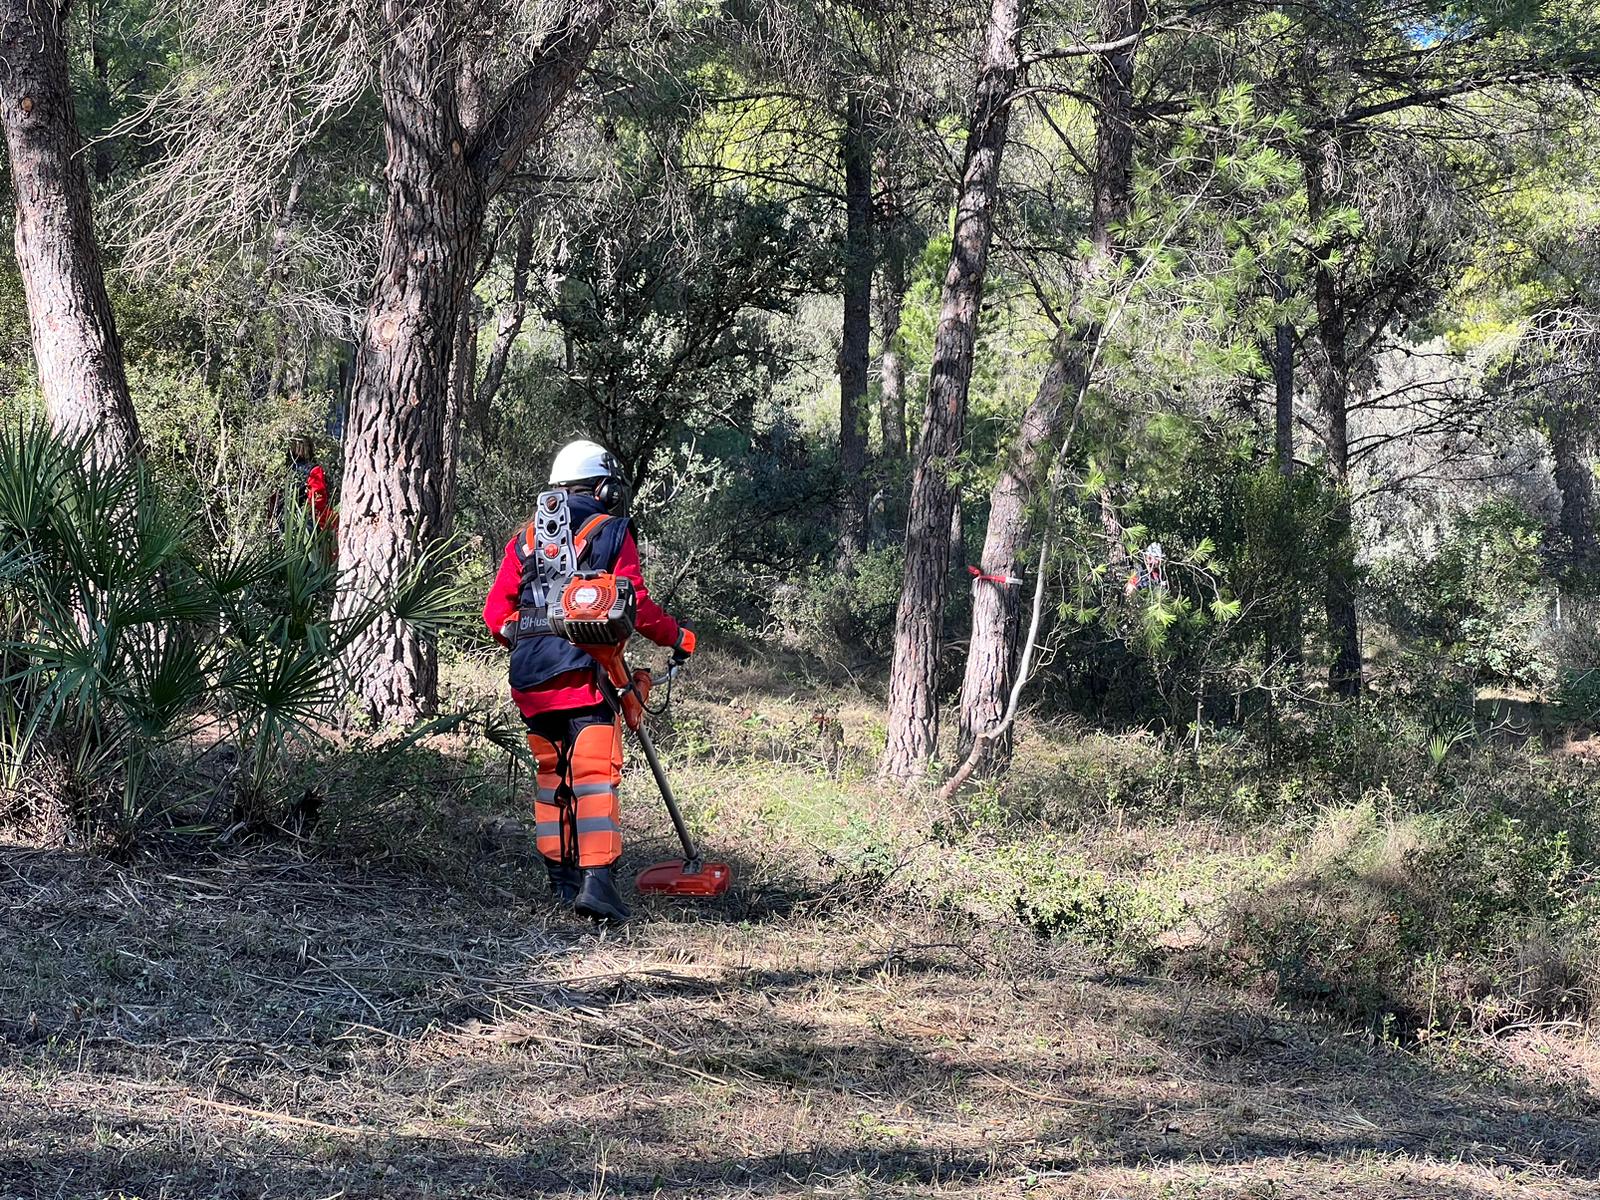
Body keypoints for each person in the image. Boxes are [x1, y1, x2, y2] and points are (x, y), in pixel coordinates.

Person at [481, 440, 695, 922]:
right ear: (601, 486)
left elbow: (496, 614)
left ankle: (562, 881)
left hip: (530, 680)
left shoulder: (525, 539)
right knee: (594, 777)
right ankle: (598, 884)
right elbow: (635, 604)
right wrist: (679, 636)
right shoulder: (614, 530)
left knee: (551, 777)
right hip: (584, 673)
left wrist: (531, 634)